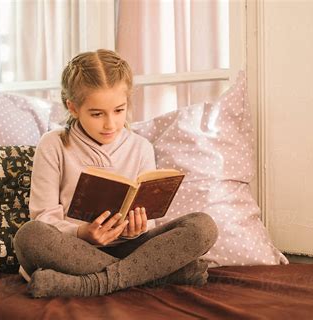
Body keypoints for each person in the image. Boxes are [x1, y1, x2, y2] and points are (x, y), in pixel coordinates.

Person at [13, 49, 218, 298]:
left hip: (133, 249)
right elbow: (43, 216)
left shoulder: (141, 147)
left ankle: (87, 285)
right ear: (73, 107)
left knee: (202, 226)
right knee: (29, 236)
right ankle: (161, 276)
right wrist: (82, 233)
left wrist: (137, 229)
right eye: (97, 114)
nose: (110, 124)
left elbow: (149, 217)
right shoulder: (54, 144)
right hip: (76, 250)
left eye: (119, 111)